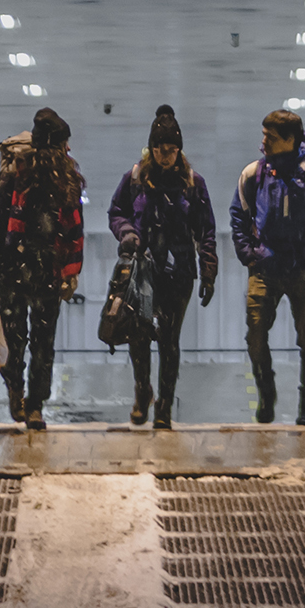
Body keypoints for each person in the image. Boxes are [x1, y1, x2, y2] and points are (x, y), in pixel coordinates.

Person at [229, 108, 305, 426]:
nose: (263, 142)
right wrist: (249, 254)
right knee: (255, 335)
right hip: (264, 268)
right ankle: (266, 396)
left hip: (301, 270)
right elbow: (238, 216)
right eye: (263, 134)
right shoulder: (253, 173)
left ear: (289, 140)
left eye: (270, 137)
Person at [106, 105, 218, 429]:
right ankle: (143, 391)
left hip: (180, 272)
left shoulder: (193, 183)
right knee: (139, 335)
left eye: (170, 149)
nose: (164, 155)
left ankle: (164, 407)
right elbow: (116, 212)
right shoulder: (136, 178)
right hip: (144, 272)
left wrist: (208, 271)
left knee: (169, 339)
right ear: (151, 148)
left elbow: (206, 230)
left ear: (179, 149)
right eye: (159, 148)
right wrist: (127, 232)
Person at [0, 106, 84, 430]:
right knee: (25, 341)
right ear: (54, 146)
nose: (68, 149)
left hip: (33, 271)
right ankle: (19, 391)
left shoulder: (65, 181)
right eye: (63, 144)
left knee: (35, 342)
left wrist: (71, 272)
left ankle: (33, 404)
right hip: (21, 269)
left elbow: (73, 227)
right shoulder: (17, 177)